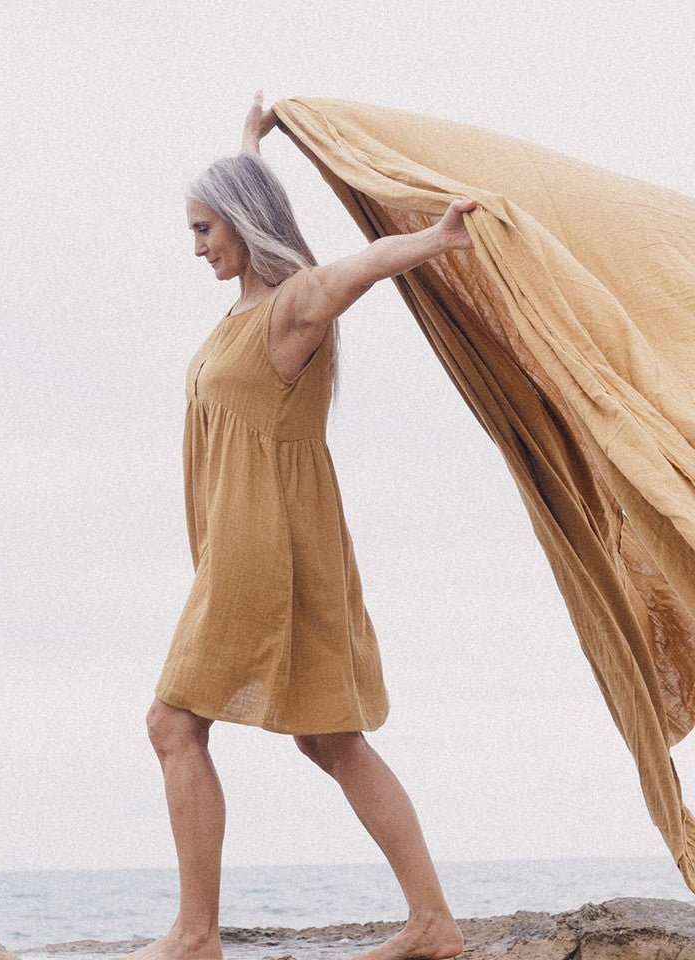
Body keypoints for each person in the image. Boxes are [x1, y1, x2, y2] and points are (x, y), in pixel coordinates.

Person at [130, 92, 478, 960]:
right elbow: (263, 217)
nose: (197, 245)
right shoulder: (251, 310)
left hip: (260, 550)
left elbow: (348, 274)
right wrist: (248, 143)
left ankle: (195, 935)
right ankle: (434, 924)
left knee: (173, 724)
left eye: (206, 228)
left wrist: (433, 242)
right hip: (276, 546)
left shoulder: (288, 311)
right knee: (331, 738)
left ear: (244, 224)